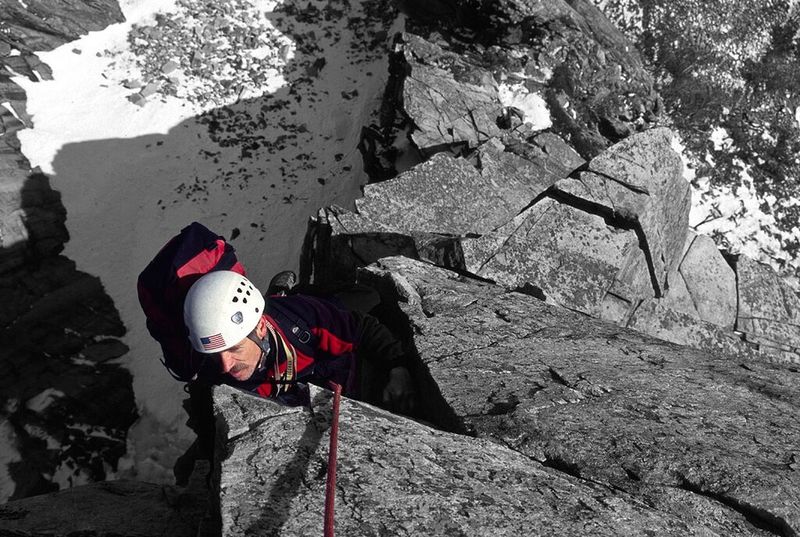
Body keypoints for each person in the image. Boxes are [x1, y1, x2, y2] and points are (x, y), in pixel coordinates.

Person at [182, 269, 415, 411]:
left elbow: (362, 330)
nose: (225, 365)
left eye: (234, 349)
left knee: (369, 299)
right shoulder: (212, 381)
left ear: (260, 327)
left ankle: (284, 293)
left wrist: (398, 368)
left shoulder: (301, 319)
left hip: (299, 320)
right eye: (214, 354)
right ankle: (277, 294)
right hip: (299, 380)